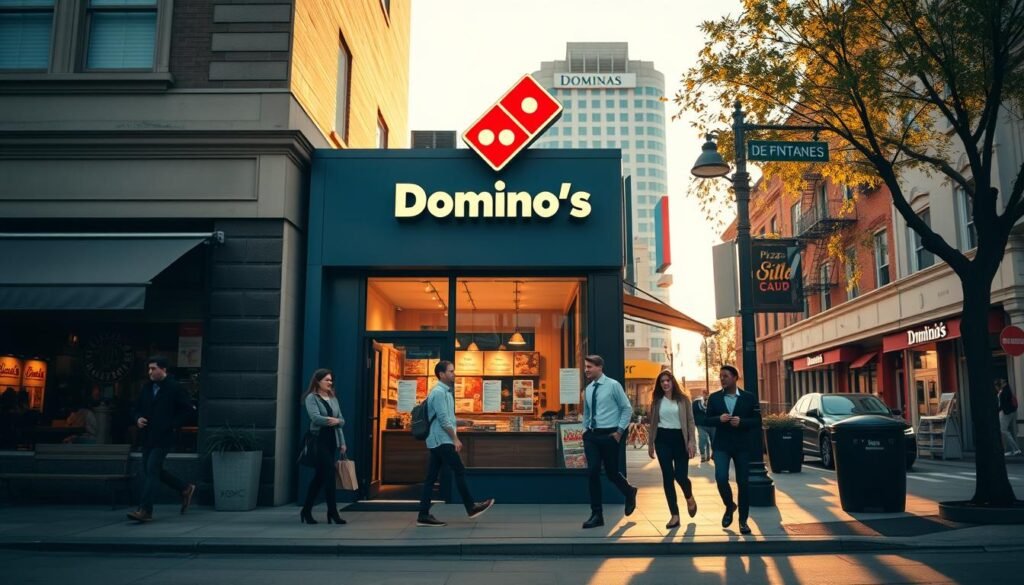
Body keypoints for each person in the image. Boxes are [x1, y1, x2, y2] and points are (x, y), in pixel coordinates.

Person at [417, 360, 494, 527]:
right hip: (441, 440)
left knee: (430, 478)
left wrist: (463, 422)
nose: (454, 374)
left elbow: (447, 418)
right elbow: (444, 420)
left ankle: (423, 514)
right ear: (442, 374)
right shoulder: (438, 393)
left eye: (453, 371)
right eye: (451, 371)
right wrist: (455, 439)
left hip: (438, 440)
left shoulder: (445, 392)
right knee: (459, 469)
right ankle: (471, 507)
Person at [127, 356, 196, 523]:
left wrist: (172, 425)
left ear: (164, 370)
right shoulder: (146, 388)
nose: (150, 372)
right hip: (147, 437)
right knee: (152, 470)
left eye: (153, 368)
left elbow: (189, 410)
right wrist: (137, 419)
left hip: (164, 437)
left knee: (152, 470)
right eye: (149, 369)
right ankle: (185, 488)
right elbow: (136, 408)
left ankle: (145, 510)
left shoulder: (175, 388)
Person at [581, 354, 637, 529]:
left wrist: (620, 431)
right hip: (592, 436)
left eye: (589, 367)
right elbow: (587, 412)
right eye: (585, 367)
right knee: (593, 471)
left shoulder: (613, 385)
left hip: (610, 435)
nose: (586, 370)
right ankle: (596, 514)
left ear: (599, 367)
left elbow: (626, 408)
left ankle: (629, 491)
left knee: (612, 473)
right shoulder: (588, 389)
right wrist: (585, 431)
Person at [703, 365, 758, 535]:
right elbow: (706, 420)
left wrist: (742, 422)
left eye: (725, 376)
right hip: (722, 445)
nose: (722, 379)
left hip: (742, 446)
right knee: (720, 478)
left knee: (743, 483)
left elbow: (757, 421)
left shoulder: (749, 398)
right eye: (720, 376)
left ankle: (743, 521)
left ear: (735, 377)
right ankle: (729, 506)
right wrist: (719, 419)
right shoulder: (714, 398)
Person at [647, 370, 698, 529]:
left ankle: (689, 498)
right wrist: (650, 445)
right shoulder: (656, 401)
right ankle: (674, 515)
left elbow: (690, 421)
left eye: (668, 380)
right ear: (659, 384)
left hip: (680, 440)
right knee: (668, 477)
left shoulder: (683, 400)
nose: (665, 384)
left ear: (673, 382)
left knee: (681, 476)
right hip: (662, 440)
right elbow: (653, 424)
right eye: (662, 381)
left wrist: (691, 442)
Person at [300, 368, 348, 524]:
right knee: (329, 476)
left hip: (332, 440)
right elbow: (315, 418)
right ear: (318, 381)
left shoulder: (333, 398)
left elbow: (341, 420)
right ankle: (333, 512)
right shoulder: (311, 398)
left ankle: (306, 510)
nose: (330, 382)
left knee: (319, 478)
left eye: (331, 380)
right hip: (318, 441)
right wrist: (333, 421)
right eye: (327, 380)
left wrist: (342, 443)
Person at [997, 379, 1020, 456]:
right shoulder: (1006, 391)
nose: (1001, 384)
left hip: (1005, 413)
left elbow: (1002, 403)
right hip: (1008, 412)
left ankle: (1015, 448)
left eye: (1002, 383)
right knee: (1004, 430)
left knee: (1003, 430)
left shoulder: (1004, 392)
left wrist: (999, 410)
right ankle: (1012, 449)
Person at [693, 388, 715, 463]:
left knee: (714, 441)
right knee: (703, 439)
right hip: (701, 425)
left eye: (707, 393)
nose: (706, 394)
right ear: (702, 393)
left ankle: (712, 454)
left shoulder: (713, 401)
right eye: (704, 393)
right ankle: (703, 455)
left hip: (712, 425)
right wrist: (695, 423)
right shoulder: (696, 402)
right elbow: (693, 413)